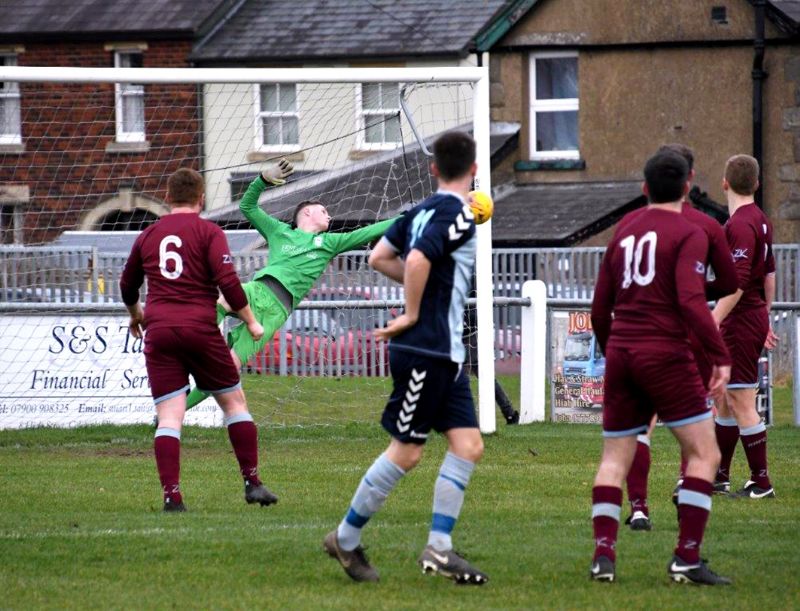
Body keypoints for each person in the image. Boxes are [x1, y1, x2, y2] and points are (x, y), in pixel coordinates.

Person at [323, 131, 488, 585]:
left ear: (434, 169)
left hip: (446, 354)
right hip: (424, 349)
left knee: (468, 445)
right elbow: (415, 260)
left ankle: (439, 549)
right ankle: (345, 539)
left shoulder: (419, 210)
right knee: (407, 451)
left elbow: (379, 256)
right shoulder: (459, 214)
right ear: (474, 169)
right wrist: (413, 312)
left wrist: (426, 288)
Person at [589, 150, 732, 585]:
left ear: (644, 188)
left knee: (615, 456)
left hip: (622, 351)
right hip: (665, 354)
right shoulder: (690, 231)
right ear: (689, 185)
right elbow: (692, 300)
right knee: (704, 453)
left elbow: (600, 307)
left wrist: (610, 348)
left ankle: (603, 557)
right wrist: (719, 355)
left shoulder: (623, 230)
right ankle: (686, 557)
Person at [184, 160, 400, 409]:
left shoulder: (329, 242)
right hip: (257, 290)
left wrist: (407, 218)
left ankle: (174, 412)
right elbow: (247, 206)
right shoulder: (279, 231)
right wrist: (262, 180)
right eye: (324, 210)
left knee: (229, 367)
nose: (329, 214)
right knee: (220, 299)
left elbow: (368, 231)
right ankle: (192, 348)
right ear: (307, 213)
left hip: (277, 311)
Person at [119, 167, 276, 512]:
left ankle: (172, 497)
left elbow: (127, 285)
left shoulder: (147, 234)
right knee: (234, 403)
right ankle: (252, 482)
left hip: (159, 332)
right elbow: (228, 283)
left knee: (170, 416)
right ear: (201, 198)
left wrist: (136, 315)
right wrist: (251, 322)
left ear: (168, 197)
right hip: (199, 329)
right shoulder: (209, 231)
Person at [620, 144, 738, 531]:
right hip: (690, 334)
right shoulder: (705, 226)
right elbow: (731, 282)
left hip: (645, 335)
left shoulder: (634, 225)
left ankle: (638, 507)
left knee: (641, 425)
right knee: (698, 422)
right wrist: (693, 290)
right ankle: (687, 489)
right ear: (689, 181)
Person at [711, 154, 777, 499]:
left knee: (739, 398)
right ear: (757, 184)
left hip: (738, 320)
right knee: (724, 397)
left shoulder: (739, 225)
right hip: (750, 317)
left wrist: (712, 320)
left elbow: (735, 284)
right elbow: (768, 274)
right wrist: (764, 317)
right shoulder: (761, 220)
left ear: (724, 183)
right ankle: (719, 475)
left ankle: (761, 481)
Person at [463, 288, 519, 425]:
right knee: (481, 375)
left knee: (465, 377)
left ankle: (467, 419)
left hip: (467, 332)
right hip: (463, 329)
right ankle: (509, 413)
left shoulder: (465, 271)